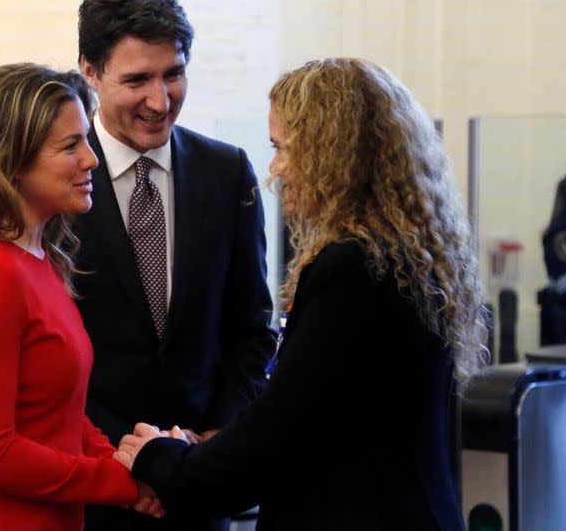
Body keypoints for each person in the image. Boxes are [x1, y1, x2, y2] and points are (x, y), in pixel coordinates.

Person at [116, 58, 489, 530]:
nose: (275, 169)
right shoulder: (404, 255)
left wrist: (159, 460)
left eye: (282, 149)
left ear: (329, 154)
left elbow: (281, 430)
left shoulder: (352, 267)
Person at [0, 63, 164, 530]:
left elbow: (61, 412)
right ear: (10, 163)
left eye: (86, 139)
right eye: (70, 146)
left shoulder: (36, 260)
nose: (92, 159)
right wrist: (121, 483)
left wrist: (125, 464)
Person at [74, 0, 277, 531]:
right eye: (137, 79)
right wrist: (122, 460)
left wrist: (213, 440)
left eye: (174, 74)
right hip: (90, 487)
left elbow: (252, 327)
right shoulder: (52, 179)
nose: (160, 101)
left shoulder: (226, 171)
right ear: (90, 73)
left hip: (197, 483)